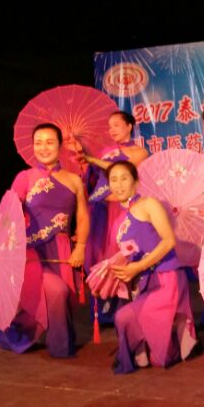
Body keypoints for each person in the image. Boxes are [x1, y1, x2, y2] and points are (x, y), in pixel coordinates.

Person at [0, 123, 89, 357]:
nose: (43, 148)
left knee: (62, 300)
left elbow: (83, 217)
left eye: (49, 142)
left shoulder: (74, 180)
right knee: (56, 291)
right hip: (32, 253)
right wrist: (2, 248)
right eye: (38, 143)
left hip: (63, 250)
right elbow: (9, 214)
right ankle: (60, 348)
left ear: (60, 146)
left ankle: (30, 334)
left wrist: (80, 247)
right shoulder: (24, 177)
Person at [107, 160, 198, 373]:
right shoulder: (118, 219)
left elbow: (169, 241)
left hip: (167, 278)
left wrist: (138, 266)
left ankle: (176, 339)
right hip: (142, 282)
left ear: (136, 182)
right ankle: (159, 340)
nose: (118, 184)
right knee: (127, 326)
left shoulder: (149, 204)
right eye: (113, 180)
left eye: (124, 178)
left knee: (158, 357)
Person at [77, 111, 148, 325]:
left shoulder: (139, 152)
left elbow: (123, 170)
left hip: (122, 210)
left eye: (117, 124)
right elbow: (94, 178)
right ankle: (103, 305)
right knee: (99, 256)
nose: (112, 129)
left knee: (120, 254)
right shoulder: (106, 152)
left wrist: (92, 159)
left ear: (129, 126)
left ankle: (125, 305)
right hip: (101, 210)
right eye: (110, 126)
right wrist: (84, 160)